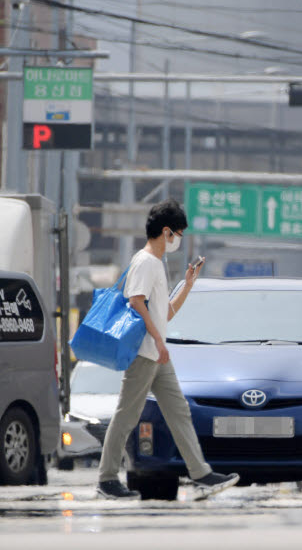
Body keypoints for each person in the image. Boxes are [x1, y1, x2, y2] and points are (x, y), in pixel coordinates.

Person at [97, 199, 239, 500]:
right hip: (145, 352)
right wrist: (160, 342)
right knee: (126, 415)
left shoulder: (157, 264)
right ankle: (107, 478)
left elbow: (166, 313)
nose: (180, 240)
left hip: (157, 355)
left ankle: (201, 473)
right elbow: (136, 301)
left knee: (179, 411)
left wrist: (187, 284)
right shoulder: (146, 261)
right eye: (179, 233)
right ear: (166, 231)